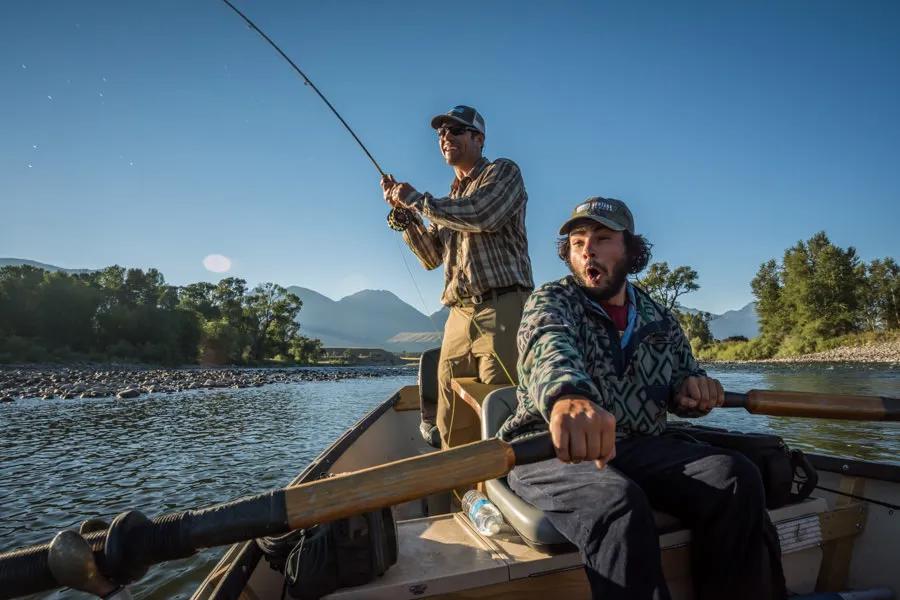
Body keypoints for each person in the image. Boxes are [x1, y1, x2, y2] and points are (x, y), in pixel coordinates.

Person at [497, 197, 786, 600]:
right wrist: (568, 396)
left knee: (736, 476)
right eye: (577, 241)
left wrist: (696, 391)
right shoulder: (552, 300)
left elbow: (685, 377)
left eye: (602, 238)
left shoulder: (658, 317)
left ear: (630, 250)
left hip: (638, 445)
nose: (587, 249)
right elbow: (548, 347)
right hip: (550, 450)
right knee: (617, 501)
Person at [381, 105, 534, 449]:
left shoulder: (504, 172)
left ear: (478, 139)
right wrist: (406, 216)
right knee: (451, 421)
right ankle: (465, 496)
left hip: (503, 309)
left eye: (455, 130)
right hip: (458, 317)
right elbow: (431, 257)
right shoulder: (449, 198)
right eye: (440, 133)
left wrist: (418, 200)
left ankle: (505, 493)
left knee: (501, 416)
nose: (445, 137)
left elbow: (483, 214)